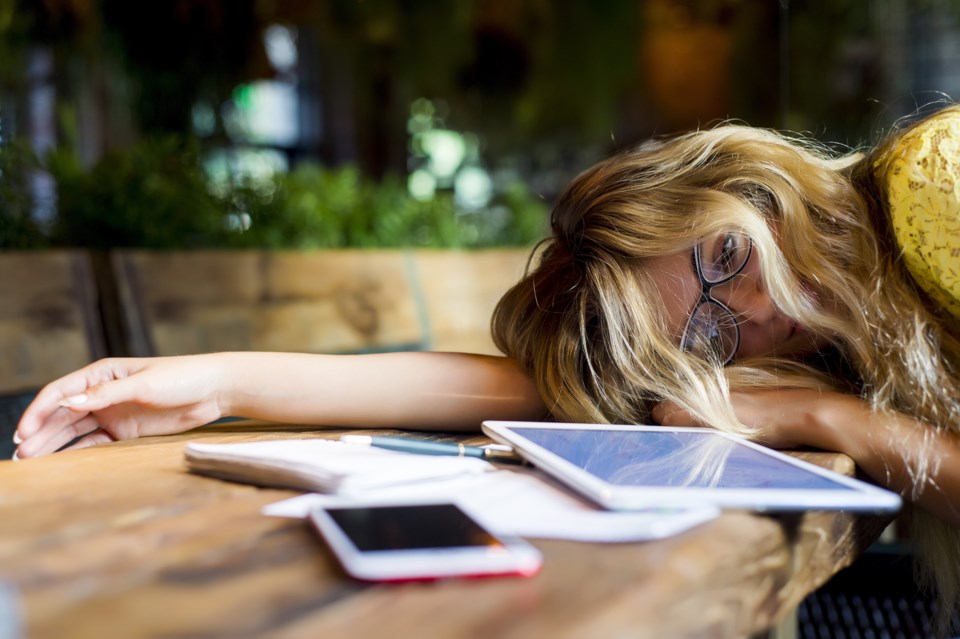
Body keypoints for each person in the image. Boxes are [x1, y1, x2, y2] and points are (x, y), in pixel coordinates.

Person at [13, 103, 960, 626]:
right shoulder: (826, 342)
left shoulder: (933, 190)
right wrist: (216, 382)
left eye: (723, 258)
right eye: (710, 338)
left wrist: (849, 427)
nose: (760, 310)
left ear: (740, 184)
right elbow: (524, 391)